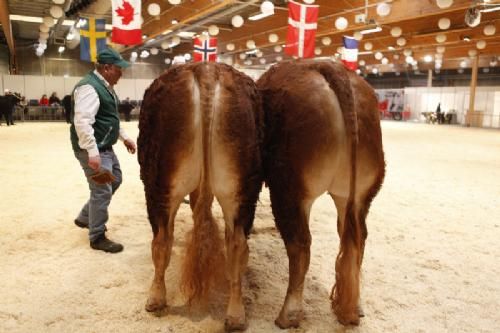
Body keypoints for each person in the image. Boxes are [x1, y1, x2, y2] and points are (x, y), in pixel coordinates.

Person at [70, 47, 136, 253]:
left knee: (114, 179)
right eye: (119, 69)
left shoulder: (105, 85)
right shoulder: (89, 87)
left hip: (106, 145)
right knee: (102, 189)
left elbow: (109, 118)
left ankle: (84, 217)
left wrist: (124, 137)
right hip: (95, 148)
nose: (121, 73)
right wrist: (92, 152)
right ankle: (97, 236)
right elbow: (82, 122)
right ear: (107, 68)